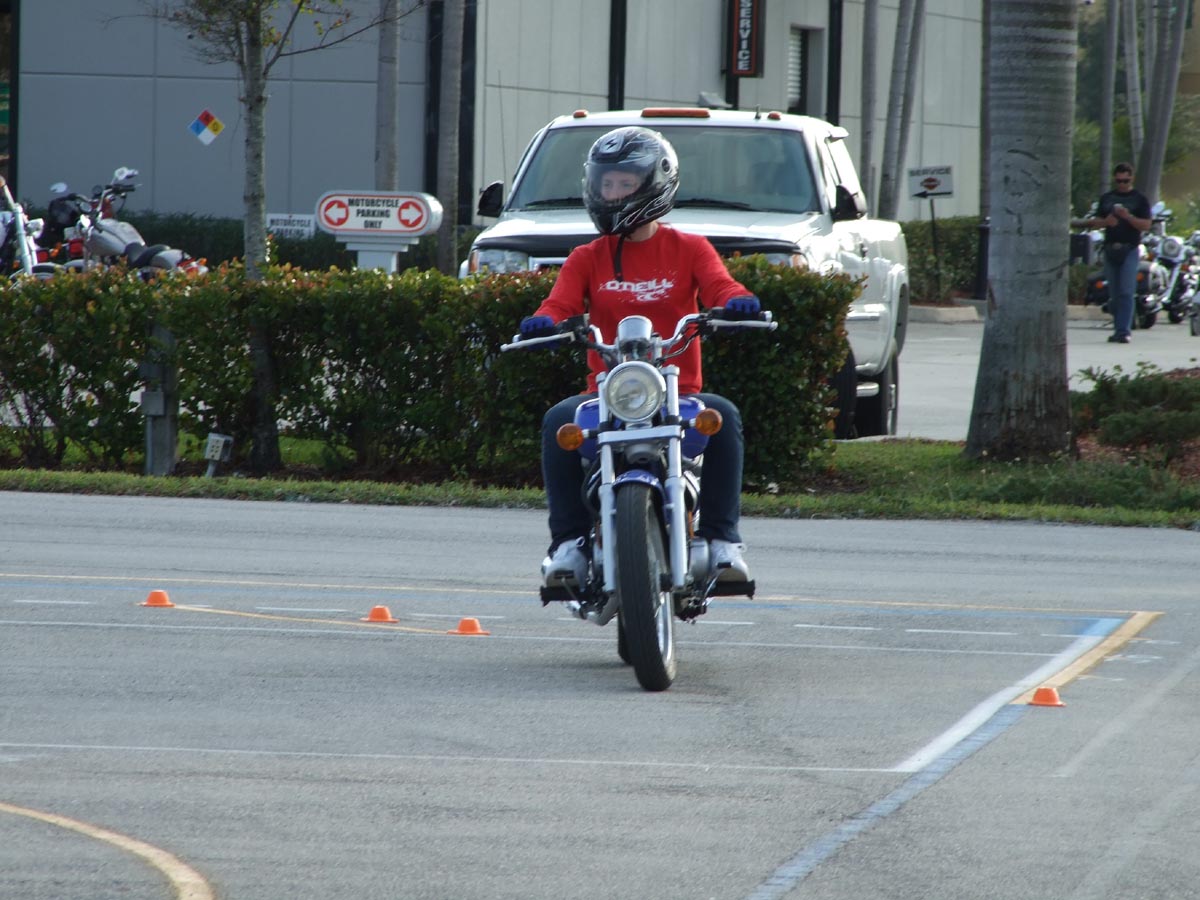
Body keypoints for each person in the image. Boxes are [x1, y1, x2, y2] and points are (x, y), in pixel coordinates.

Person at [518, 126, 762, 589]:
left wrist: (736, 302)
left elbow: (720, 286)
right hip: (607, 396)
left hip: (676, 394)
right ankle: (568, 544)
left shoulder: (689, 248)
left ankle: (722, 540)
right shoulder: (587, 257)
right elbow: (559, 304)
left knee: (724, 417)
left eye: (625, 183)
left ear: (654, 183)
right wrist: (544, 322)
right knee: (558, 421)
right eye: (606, 183)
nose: (613, 193)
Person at [1087, 162, 1153, 343]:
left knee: (1126, 291)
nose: (1122, 184)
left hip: (1130, 248)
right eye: (1119, 181)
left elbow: (1146, 225)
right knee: (1114, 294)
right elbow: (1095, 222)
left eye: (1126, 181)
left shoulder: (1139, 199)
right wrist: (1105, 222)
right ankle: (1118, 328)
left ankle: (1124, 331)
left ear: (1131, 179)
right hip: (1110, 248)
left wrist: (1127, 217)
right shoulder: (1107, 198)